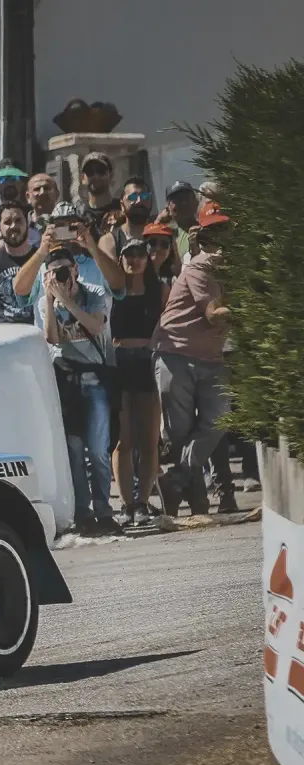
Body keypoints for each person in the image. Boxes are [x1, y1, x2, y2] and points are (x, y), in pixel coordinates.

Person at [152, 202, 233, 517]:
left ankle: (175, 480)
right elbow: (213, 315)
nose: (221, 238)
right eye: (215, 231)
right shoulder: (201, 267)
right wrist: (254, 308)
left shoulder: (229, 268)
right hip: (176, 353)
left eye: (224, 229)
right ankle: (197, 501)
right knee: (181, 434)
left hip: (210, 357)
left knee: (219, 419)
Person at [32, 247, 117, 535]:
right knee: (75, 452)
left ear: (76, 270)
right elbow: (51, 338)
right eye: (54, 272)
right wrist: (50, 299)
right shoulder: (45, 302)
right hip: (65, 379)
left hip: (94, 378)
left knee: (99, 450)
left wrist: (67, 301)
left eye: (64, 269)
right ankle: (84, 512)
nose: (60, 276)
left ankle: (104, 510)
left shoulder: (93, 292)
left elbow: (96, 326)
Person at [111, 238, 167, 527]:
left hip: (148, 362)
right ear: (120, 259)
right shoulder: (113, 291)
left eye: (139, 255)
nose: (134, 260)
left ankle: (142, 501)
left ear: (148, 258)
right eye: (128, 255)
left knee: (148, 440)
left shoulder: (159, 290)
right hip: (119, 363)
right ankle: (125, 504)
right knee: (123, 440)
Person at [12, 202, 126, 304]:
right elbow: (19, 290)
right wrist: (42, 250)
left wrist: (92, 247)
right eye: (60, 227)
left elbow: (119, 285)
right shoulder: (40, 269)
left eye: (71, 227)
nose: (66, 233)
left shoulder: (98, 266)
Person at [99, 175, 154, 259]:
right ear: (122, 205)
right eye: (133, 197)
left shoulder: (162, 237)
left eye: (144, 196)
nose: (139, 201)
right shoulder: (109, 241)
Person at [73, 152, 118, 236]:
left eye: (101, 171)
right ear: (82, 178)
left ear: (111, 175)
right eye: (90, 172)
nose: (96, 176)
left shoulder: (122, 210)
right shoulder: (77, 215)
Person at [161, 180, 200, 260]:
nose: (183, 203)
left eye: (187, 198)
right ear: (168, 207)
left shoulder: (206, 230)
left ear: (196, 202)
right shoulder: (166, 236)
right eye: (177, 200)